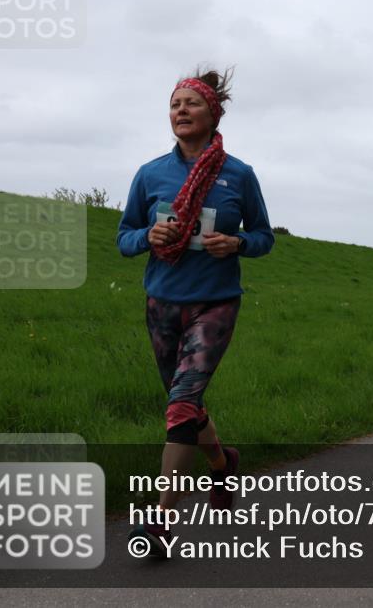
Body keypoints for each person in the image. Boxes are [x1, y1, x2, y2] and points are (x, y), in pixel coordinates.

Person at [119, 68, 274, 553]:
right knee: (184, 407)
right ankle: (223, 461)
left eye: (191, 103)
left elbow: (264, 237)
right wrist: (148, 236)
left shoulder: (239, 175)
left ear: (214, 113)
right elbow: (124, 238)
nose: (180, 111)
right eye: (174, 104)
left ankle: (162, 520)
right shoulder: (150, 174)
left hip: (215, 303)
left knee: (182, 405)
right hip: (162, 303)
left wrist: (238, 242)